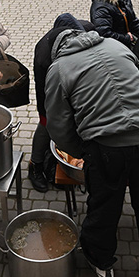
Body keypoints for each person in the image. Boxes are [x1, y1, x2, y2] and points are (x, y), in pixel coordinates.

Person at [45, 24, 139, 277]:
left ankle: (102, 264)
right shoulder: (117, 46)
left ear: (58, 50)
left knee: (104, 206)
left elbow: (57, 126)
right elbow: (136, 79)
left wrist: (82, 152)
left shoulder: (59, 68)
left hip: (107, 146)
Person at [28, 15, 95, 193]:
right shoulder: (44, 55)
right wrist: (46, 113)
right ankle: (35, 165)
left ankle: (60, 163)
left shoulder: (88, 32)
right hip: (51, 83)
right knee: (47, 123)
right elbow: (44, 92)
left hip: (79, 81)